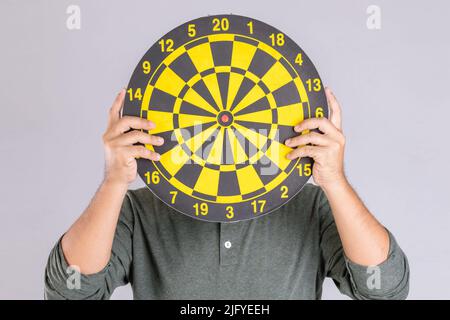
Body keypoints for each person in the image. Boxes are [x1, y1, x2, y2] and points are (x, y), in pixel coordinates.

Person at [44, 88, 409, 300]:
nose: (226, 125)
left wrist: (335, 181)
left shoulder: (311, 207)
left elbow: (384, 289)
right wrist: (113, 182)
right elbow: (69, 292)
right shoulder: (139, 210)